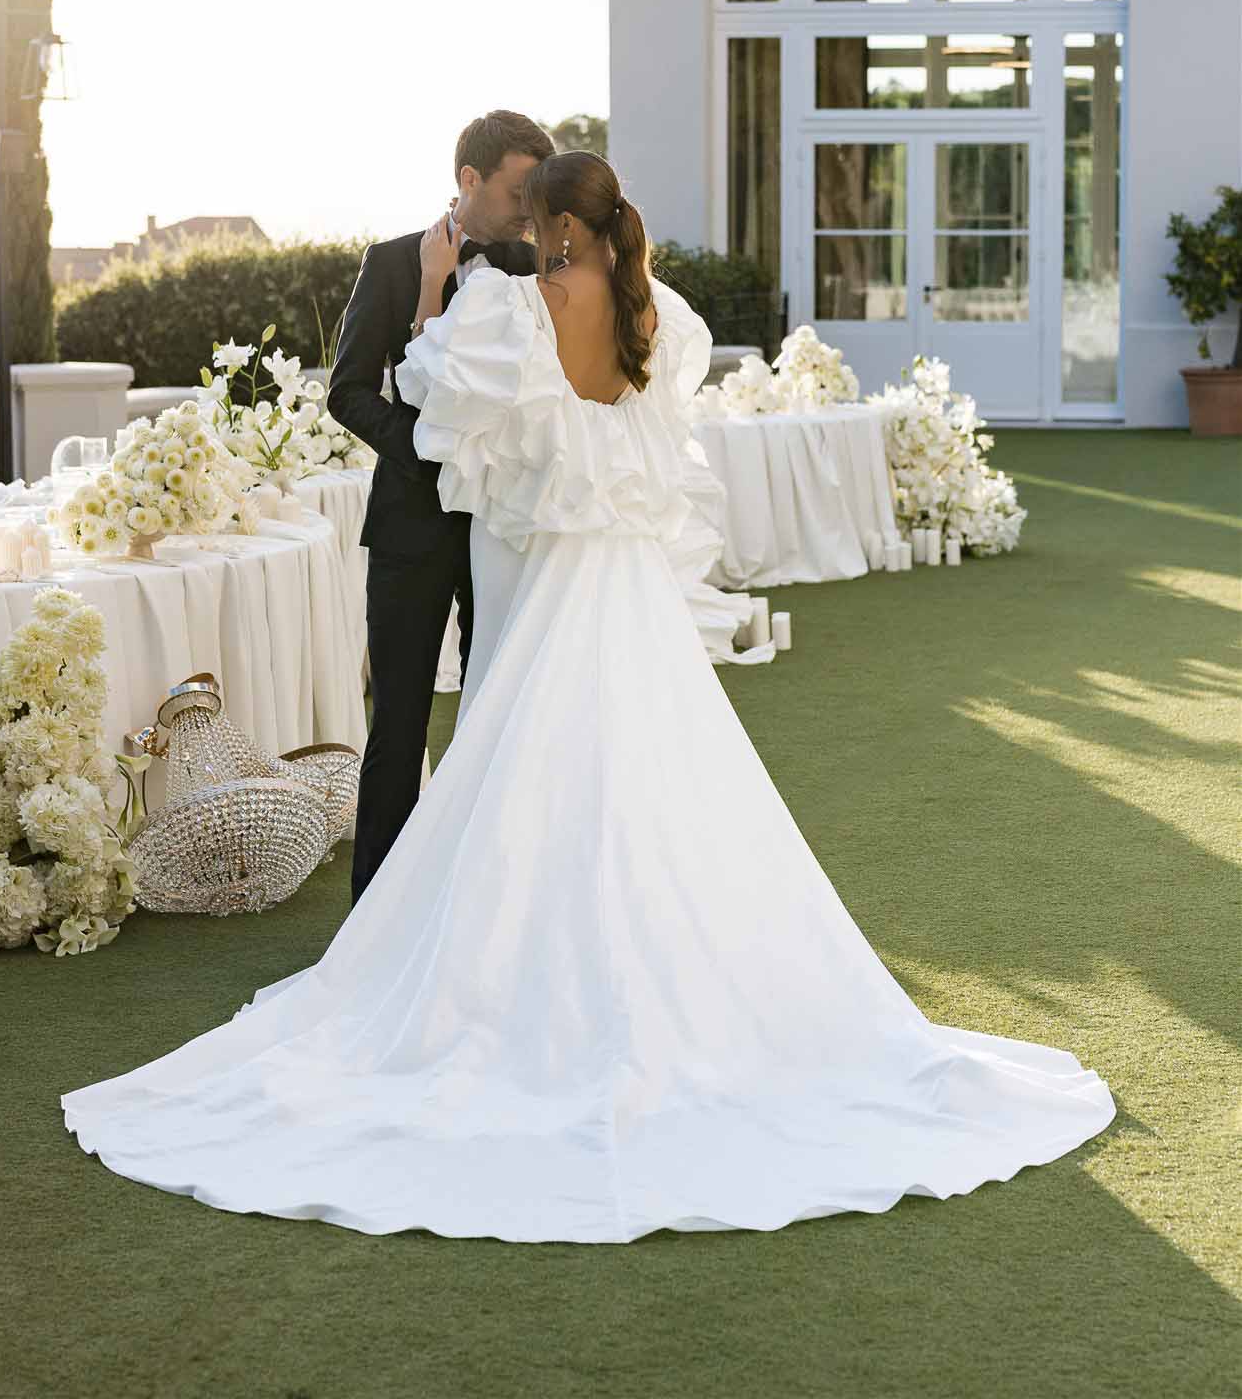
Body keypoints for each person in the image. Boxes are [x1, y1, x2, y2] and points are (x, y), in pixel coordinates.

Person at [62, 151, 1114, 1243]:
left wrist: (440, 289)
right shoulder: (654, 312)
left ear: (551, 217)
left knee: (528, 777)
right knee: (663, 783)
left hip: (556, 585)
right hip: (632, 596)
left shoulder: (513, 311)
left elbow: (421, 389)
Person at [327, 109, 553, 902]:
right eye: (518, 190)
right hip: (410, 527)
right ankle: (374, 915)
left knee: (497, 712)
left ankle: (481, 905)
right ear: (469, 179)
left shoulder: (536, 268)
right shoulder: (390, 263)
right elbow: (347, 393)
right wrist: (428, 447)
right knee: (399, 725)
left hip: (501, 524)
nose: (529, 208)